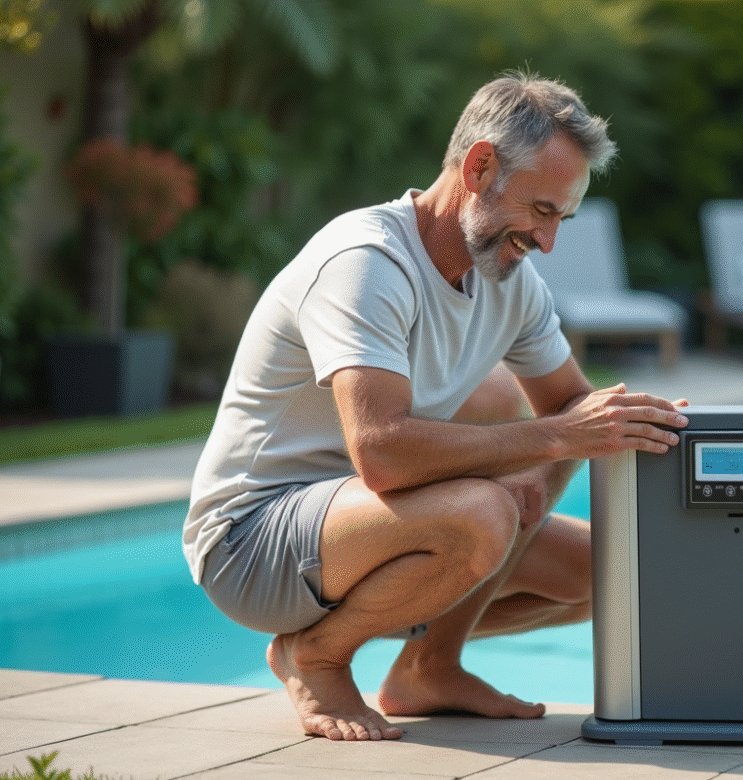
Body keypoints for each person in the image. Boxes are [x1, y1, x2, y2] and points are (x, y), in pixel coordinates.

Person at [182, 71, 689, 742]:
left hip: (372, 532)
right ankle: (316, 655)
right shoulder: (366, 262)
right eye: (541, 211)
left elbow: (574, 404)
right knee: (486, 509)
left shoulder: (511, 282)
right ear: (480, 166)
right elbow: (384, 451)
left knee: (613, 569)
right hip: (253, 540)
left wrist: (601, 445)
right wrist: (549, 448)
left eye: (561, 220)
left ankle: (429, 666)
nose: (548, 242)